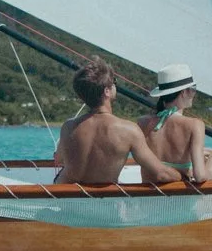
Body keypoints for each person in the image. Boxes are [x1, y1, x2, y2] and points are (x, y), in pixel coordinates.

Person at [52, 58, 184, 186]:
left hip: (66, 197)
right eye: (114, 81)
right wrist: (182, 175)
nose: (115, 84)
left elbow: (59, 159)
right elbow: (161, 174)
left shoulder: (68, 127)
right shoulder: (128, 130)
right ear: (107, 91)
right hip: (102, 204)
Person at [141, 63, 212, 182]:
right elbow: (200, 176)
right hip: (181, 198)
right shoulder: (195, 125)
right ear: (183, 92)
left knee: (205, 153)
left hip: (150, 198)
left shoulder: (142, 123)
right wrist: (211, 173)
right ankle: (211, 200)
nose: (194, 94)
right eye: (193, 89)